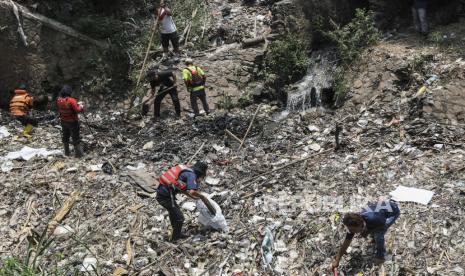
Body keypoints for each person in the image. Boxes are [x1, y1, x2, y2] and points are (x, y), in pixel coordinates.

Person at [331, 200, 400, 270]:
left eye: (354, 230)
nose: (352, 232)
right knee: (371, 229)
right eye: (351, 230)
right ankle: (372, 234)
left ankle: (380, 256)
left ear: (360, 225)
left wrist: (368, 232)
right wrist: (337, 260)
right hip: (381, 208)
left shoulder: (374, 218)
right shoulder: (354, 222)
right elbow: (346, 242)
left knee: (379, 234)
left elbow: (382, 225)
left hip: (393, 211)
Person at [156, 162, 216, 241]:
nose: (201, 180)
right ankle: (175, 239)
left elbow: (182, 189)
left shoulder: (187, 172)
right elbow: (191, 191)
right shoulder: (192, 176)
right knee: (180, 218)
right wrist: (202, 197)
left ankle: (176, 233)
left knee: (173, 213)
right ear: (201, 174)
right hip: (165, 197)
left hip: (162, 194)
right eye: (202, 177)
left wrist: (192, 197)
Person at [56, 85, 83, 158]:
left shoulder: (58, 99)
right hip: (72, 121)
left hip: (63, 121)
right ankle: (78, 155)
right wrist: (81, 106)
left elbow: (59, 109)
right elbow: (77, 110)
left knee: (65, 136)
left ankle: (66, 153)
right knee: (75, 137)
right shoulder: (71, 100)